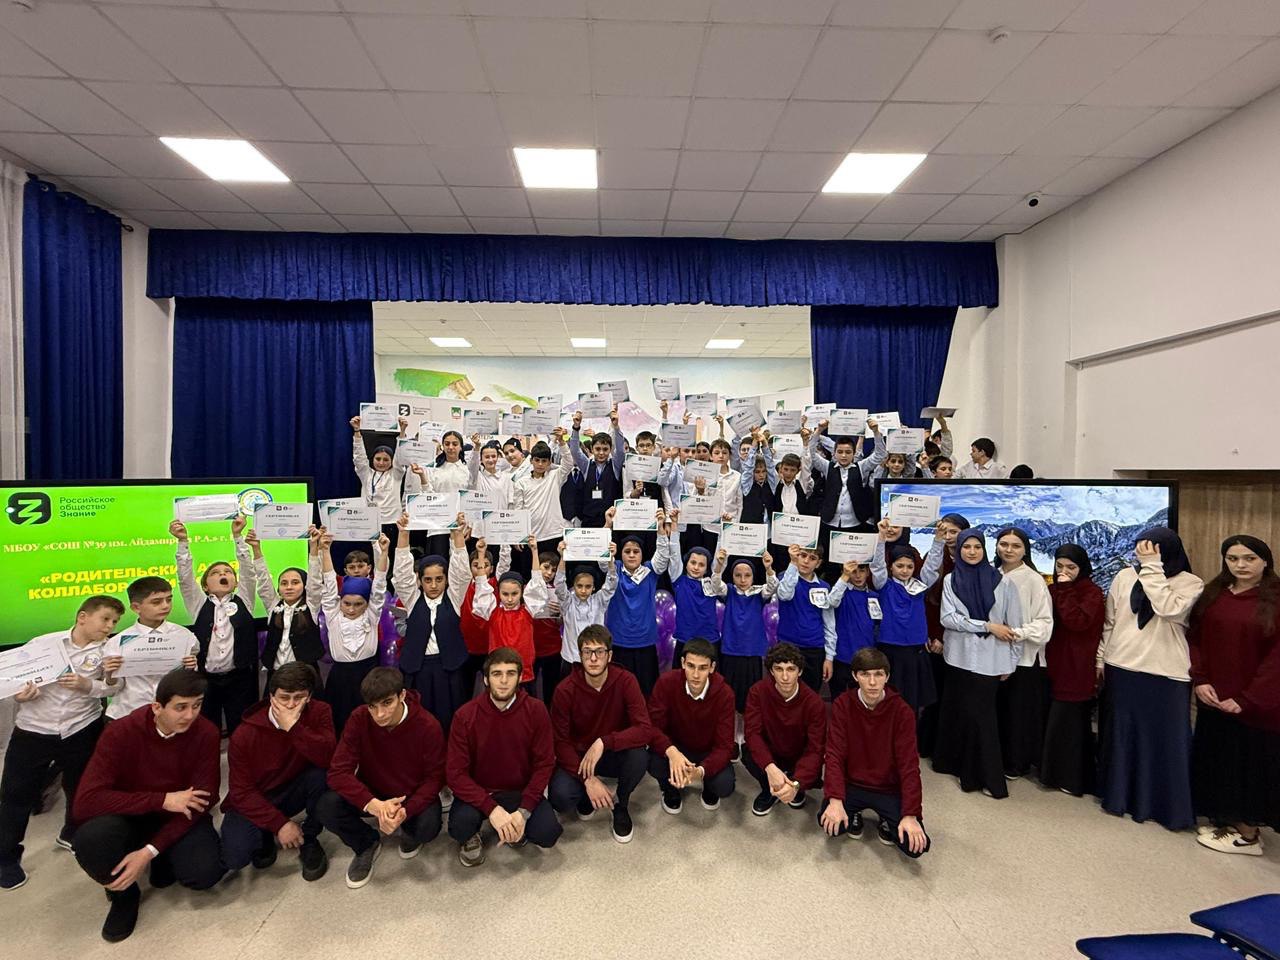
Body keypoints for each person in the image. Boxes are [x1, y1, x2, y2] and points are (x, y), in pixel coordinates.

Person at [71, 669, 223, 942]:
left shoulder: (206, 733)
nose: (190, 715)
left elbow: (203, 800)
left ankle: (161, 856)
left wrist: (150, 851)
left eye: (197, 705)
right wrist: (162, 799)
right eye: (180, 707)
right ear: (157, 707)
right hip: (130, 815)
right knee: (90, 839)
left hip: (179, 816)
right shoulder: (120, 732)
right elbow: (86, 802)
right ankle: (124, 896)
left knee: (204, 873)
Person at [0, 595, 123, 891]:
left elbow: (114, 687)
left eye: (115, 621)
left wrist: (88, 685)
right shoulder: (43, 644)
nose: (109, 626)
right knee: (15, 795)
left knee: (80, 787)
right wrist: (19, 694)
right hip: (33, 729)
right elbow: (11, 679)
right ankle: (6, 857)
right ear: (83, 617)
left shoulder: (110, 649)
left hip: (82, 727)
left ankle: (72, 831)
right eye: (105, 619)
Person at [1097, 527, 1203, 830]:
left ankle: (1165, 807)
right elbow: (1111, 622)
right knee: (1123, 738)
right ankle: (1119, 797)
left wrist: (1152, 568)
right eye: (1140, 548)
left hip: (1166, 671)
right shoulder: (1124, 576)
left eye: (1151, 548)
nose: (1142, 553)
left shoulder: (1191, 582)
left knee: (1166, 742)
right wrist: (1101, 659)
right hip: (1122, 665)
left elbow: (1167, 608)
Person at [1189, 535, 1280, 855]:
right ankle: (1228, 823)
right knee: (1220, 761)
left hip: (1256, 705)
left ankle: (1249, 835)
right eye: (1232, 559)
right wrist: (1200, 679)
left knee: (1249, 766)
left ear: (1265, 560)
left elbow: (1276, 659)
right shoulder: (1214, 593)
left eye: (1249, 558)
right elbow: (1195, 638)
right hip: (1214, 697)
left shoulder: (1275, 598)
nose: (1240, 565)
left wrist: (1247, 699)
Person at [318, 667, 445, 888]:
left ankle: (408, 830)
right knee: (326, 806)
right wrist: (374, 805)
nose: (379, 714)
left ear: (402, 695)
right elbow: (338, 772)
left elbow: (435, 779)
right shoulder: (359, 718)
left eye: (387, 703)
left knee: (428, 826)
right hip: (373, 793)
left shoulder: (428, 725)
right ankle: (365, 843)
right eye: (372, 706)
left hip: (409, 795)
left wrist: (405, 811)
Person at [446, 647, 562, 867]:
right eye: (497, 674)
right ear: (486, 679)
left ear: (520, 677)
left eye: (510, 673)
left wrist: (523, 812)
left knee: (548, 833)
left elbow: (545, 764)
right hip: (480, 791)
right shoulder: (465, 715)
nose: (503, 681)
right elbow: (455, 773)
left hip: (519, 791)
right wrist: (492, 809)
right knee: (459, 827)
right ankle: (478, 832)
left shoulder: (536, 710)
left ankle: (514, 825)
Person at [221, 663, 333, 882]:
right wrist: (279, 824)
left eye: (298, 698)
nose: (290, 705)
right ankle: (265, 831)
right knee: (236, 856)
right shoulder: (244, 734)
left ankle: (309, 837)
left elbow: (328, 758)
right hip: (257, 796)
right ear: (271, 697)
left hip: (293, 786)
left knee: (323, 776)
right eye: (284, 698)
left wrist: (294, 728)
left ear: (309, 697)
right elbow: (241, 792)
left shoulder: (320, 711)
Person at [932, 530, 1023, 798]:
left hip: (991, 661)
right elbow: (948, 618)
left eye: (977, 547)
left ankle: (990, 780)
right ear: (958, 550)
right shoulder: (951, 580)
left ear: (984, 550)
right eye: (966, 547)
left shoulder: (1003, 583)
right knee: (962, 716)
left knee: (983, 720)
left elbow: (1014, 626)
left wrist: (1012, 662)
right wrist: (987, 626)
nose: (972, 552)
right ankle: (964, 772)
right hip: (958, 659)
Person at [819, 648, 930, 858]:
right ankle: (854, 813)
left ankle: (887, 819)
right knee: (830, 824)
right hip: (852, 784)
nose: (872, 682)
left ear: (887, 677)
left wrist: (910, 814)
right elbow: (834, 755)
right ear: (855, 676)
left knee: (915, 846)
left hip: (888, 788)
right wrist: (835, 799)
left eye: (878, 674)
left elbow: (909, 766)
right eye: (865, 674)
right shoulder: (843, 704)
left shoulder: (902, 711)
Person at [548, 625, 652, 844]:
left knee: (639, 756)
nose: (593, 658)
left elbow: (644, 729)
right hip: (581, 758)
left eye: (599, 652)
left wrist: (604, 742)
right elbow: (560, 742)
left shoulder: (626, 681)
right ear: (580, 655)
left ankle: (620, 804)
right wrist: (588, 780)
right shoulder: (564, 690)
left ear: (609, 656)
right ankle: (587, 795)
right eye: (587, 652)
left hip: (613, 751)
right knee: (560, 796)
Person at [171, 517, 258, 736]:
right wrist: (182, 542)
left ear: (235, 582)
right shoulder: (198, 603)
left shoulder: (244, 599)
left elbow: (248, 572)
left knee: (242, 730)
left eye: (228, 572)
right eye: (215, 573)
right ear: (205, 585)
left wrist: (238, 537)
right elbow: (185, 577)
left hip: (240, 679)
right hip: (205, 680)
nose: (222, 574)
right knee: (206, 730)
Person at [392, 514, 473, 734]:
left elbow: (462, 573)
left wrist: (457, 535)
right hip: (418, 670)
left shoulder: (454, 598)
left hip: (449, 670)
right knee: (419, 724)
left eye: (439, 579)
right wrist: (403, 534)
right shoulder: (412, 600)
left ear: (446, 580)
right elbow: (401, 575)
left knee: (450, 720)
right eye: (428, 580)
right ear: (420, 581)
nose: (434, 585)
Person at [1041, 544, 1104, 797]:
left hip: (1077, 664)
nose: (1064, 572)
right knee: (1056, 719)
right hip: (1054, 661)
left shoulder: (1091, 592)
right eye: (1059, 566)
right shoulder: (1052, 589)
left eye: (1071, 567)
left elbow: (1077, 622)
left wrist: (1066, 590)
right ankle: (1053, 774)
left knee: (1071, 721)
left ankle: (1074, 778)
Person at [992, 527, 1055, 780]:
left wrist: (1015, 633)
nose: (1008, 550)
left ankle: (1016, 763)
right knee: (997, 711)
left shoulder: (1033, 580)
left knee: (1018, 714)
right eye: (1004, 544)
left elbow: (1044, 623)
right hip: (992, 656)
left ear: (1025, 549)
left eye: (1015, 545)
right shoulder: (991, 574)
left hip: (1024, 659)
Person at [647, 638, 736, 815]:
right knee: (651, 761)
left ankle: (709, 787)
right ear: (682, 663)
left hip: (708, 750)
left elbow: (725, 746)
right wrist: (672, 752)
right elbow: (653, 728)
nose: (695, 674)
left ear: (712, 667)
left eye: (702, 668)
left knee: (724, 785)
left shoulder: (725, 694)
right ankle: (670, 789)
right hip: (676, 747)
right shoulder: (666, 682)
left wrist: (701, 771)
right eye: (690, 666)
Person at [869, 518, 946, 714]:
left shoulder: (920, 585)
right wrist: (880, 539)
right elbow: (877, 565)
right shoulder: (884, 585)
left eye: (909, 567)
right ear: (891, 567)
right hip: (890, 649)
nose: (905, 570)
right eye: (900, 566)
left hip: (915, 650)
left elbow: (931, 566)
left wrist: (938, 540)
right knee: (888, 700)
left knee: (911, 702)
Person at [742, 643, 826, 817]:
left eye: (791, 669)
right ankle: (770, 789)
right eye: (779, 669)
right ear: (771, 671)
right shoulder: (757, 692)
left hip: (797, 755)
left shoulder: (814, 702)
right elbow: (752, 733)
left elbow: (815, 748)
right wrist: (770, 768)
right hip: (771, 751)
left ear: (800, 671)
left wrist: (796, 784)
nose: (785, 676)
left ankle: (794, 787)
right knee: (749, 751)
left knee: (815, 761)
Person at [101, 578, 198, 727]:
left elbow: (189, 679)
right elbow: (112, 690)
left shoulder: (184, 636)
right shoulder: (117, 642)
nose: (165, 606)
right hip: (128, 714)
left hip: (171, 715)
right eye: (156, 602)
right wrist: (109, 675)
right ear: (136, 607)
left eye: (169, 599)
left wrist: (191, 668)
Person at [319, 531, 390, 733]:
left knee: (371, 724)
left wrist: (384, 552)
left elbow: (379, 585)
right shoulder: (333, 615)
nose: (351, 609)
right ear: (340, 601)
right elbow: (329, 583)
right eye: (346, 603)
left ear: (367, 604)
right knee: (340, 723)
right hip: (340, 678)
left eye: (358, 604)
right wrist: (325, 550)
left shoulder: (371, 615)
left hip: (369, 673)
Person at [712, 552, 779, 759]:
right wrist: (719, 566)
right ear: (732, 576)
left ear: (753, 576)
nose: (742, 579)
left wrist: (768, 568)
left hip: (752, 652)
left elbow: (772, 586)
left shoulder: (759, 592)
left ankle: (746, 737)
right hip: (731, 651)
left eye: (747, 575)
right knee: (730, 696)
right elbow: (716, 585)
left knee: (750, 698)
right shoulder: (730, 591)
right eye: (738, 575)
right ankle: (731, 738)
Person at [602, 509, 672, 697]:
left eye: (636, 551)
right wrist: (608, 525)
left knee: (646, 693)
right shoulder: (614, 568)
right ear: (621, 554)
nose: (631, 555)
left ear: (642, 554)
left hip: (645, 643)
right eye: (627, 551)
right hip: (619, 643)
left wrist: (660, 528)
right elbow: (602, 557)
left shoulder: (650, 570)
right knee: (619, 694)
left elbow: (663, 556)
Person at [919, 513, 971, 757]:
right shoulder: (934, 558)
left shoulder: (971, 559)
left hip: (962, 638)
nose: (949, 537)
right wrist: (933, 635)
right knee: (934, 694)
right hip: (934, 636)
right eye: (945, 532)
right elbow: (926, 600)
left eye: (954, 532)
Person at [245, 526, 324, 684]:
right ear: (278, 588)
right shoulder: (273, 605)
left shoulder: (311, 606)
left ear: (304, 586)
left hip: (305, 675)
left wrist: (314, 547)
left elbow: (315, 580)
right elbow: (263, 579)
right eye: (284, 583)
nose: (289, 587)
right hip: (277, 673)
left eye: (295, 582)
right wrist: (256, 548)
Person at [471, 538, 553, 688]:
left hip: (524, 675)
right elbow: (481, 585)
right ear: (498, 593)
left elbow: (537, 582)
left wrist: (534, 551)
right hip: (498, 674)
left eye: (514, 594)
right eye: (505, 594)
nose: (509, 599)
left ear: (522, 592)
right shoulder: (492, 612)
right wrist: (481, 554)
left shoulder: (528, 611)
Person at [512, 433, 576, 580]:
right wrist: (518, 536)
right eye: (537, 460)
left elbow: (568, 462)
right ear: (531, 461)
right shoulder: (521, 483)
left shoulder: (555, 476)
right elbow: (518, 511)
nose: (540, 464)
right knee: (530, 578)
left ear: (549, 462)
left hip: (553, 535)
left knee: (553, 577)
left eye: (544, 461)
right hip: (531, 538)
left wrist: (561, 442)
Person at [775, 543, 836, 692]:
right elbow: (784, 595)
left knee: (810, 694)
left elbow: (829, 623)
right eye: (802, 555)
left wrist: (829, 657)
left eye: (812, 558)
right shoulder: (786, 577)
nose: (806, 561)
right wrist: (792, 563)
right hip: (788, 646)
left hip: (815, 648)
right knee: (785, 692)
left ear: (818, 563)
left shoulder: (824, 587)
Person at [554, 544, 618, 677]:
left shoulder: (599, 600)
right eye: (579, 586)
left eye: (588, 586)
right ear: (573, 586)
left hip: (595, 659)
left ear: (594, 587)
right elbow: (559, 584)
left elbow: (611, 583)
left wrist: (610, 559)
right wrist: (563, 557)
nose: (583, 590)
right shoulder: (567, 602)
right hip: (571, 659)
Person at [405, 428, 470, 558]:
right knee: (437, 564)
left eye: (455, 444)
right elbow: (429, 495)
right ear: (442, 446)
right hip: (438, 525)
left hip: (460, 525)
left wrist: (470, 524)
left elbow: (470, 499)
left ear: (461, 447)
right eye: (447, 444)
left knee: (459, 564)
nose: (450, 447)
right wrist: (422, 476)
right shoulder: (434, 468)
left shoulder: (467, 470)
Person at [350, 414, 409, 553]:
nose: (381, 463)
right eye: (378, 459)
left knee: (392, 558)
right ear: (373, 459)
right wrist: (357, 431)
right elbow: (359, 457)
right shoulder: (366, 473)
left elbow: (400, 457)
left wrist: (402, 432)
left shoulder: (396, 474)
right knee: (372, 558)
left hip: (392, 523)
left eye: (386, 459)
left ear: (391, 461)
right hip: (370, 522)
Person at [825, 560, 878, 700]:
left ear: (868, 572)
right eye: (854, 571)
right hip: (842, 656)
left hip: (866, 659)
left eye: (862, 571)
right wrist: (845, 576)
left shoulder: (874, 596)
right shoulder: (840, 593)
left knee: (863, 701)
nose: (858, 575)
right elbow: (831, 601)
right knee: (839, 700)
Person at [569, 407, 626, 531]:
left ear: (610, 449)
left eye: (605, 449)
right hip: (589, 520)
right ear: (592, 449)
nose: (601, 453)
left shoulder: (615, 465)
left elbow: (621, 451)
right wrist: (576, 427)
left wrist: (616, 427)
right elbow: (574, 451)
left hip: (611, 520)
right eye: (597, 449)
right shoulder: (586, 465)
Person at [667, 540, 721, 667]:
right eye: (693, 563)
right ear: (686, 564)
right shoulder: (679, 581)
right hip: (684, 640)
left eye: (701, 565)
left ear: (707, 569)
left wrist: (722, 533)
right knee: (680, 676)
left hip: (709, 640)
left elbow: (720, 561)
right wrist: (674, 532)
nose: (696, 567)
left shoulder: (714, 583)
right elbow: (674, 555)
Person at [532, 551, 565, 706]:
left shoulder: (559, 591)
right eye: (546, 567)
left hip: (552, 648)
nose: (549, 573)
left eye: (553, 570)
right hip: (531, 648)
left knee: (551, 690)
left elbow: (561, 623)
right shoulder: (527, 588)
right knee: (529, 690)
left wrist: (559, 614)